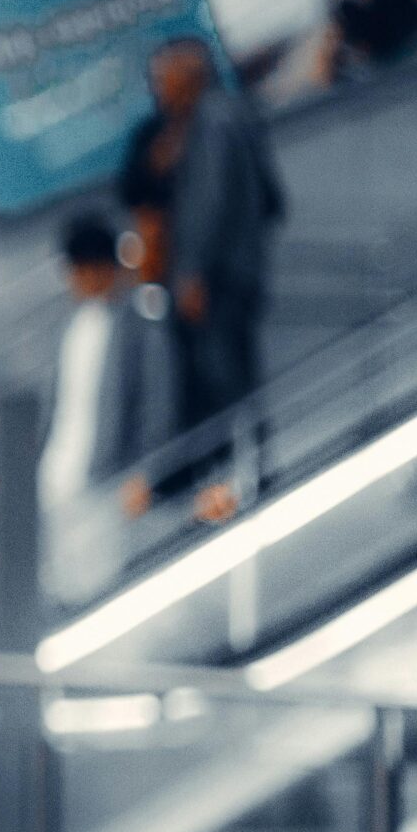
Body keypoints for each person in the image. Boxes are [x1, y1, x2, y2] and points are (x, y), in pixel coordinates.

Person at [136, 39, 286, 520]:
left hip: (220, 278)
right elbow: (269, 196)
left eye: (164, 79)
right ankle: (248, 471)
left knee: (227, 381)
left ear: (189, 76)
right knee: (234, 378)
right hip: (236, 271)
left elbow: (209, 204)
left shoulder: (212, 123)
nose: (158, 90)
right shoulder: (220, 117)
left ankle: (242, 476)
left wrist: (194, 272)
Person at [40, 214, 180, 600]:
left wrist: (145, 473)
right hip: (56, 474)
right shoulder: (68, 328)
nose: (72, 281)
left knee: (99, 586)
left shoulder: (140, 324)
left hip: (106, 478)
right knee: (57, 585)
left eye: (77, 270)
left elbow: (158, 404)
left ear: (97, 268)